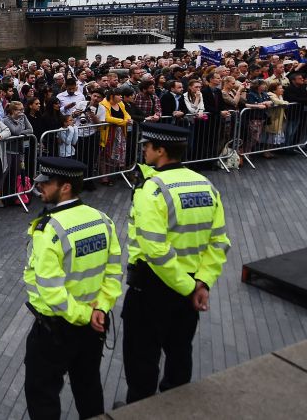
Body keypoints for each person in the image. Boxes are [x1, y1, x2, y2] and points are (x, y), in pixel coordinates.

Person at [122, 122, 231, 404]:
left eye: (147, 146)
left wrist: (185, 286)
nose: (143, 150)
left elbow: (155, 249)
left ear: (161, 150)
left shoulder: (152, 190)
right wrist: (202, 283)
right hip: (191, 286)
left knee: (141, 361)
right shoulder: (206, 185)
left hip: (151, 290)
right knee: (180, 353)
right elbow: (218, 242)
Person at [23, 157, 122, 419]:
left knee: (41, 392)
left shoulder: (49, 229)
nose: (40, 188)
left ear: (65, 187)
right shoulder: (102, 220)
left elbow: (51, 290)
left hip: (57, 329)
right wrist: (101, 308)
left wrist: (85, 315)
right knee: (88, 386)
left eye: (46, 183)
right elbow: (113, 271)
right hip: (94, 326)